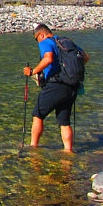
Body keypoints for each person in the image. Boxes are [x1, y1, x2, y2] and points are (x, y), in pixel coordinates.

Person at [22, 23, 89, 153]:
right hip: (72, 86)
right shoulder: (65, 42)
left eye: (37, 39)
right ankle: (68, 151)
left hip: (56, 85)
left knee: (38, 114)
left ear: (41, 34)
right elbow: (85, 57)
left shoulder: (45, 42)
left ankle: (33, 148)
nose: (38, 42)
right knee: (64, 121)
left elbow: (48, 59)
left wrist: (32, 72)